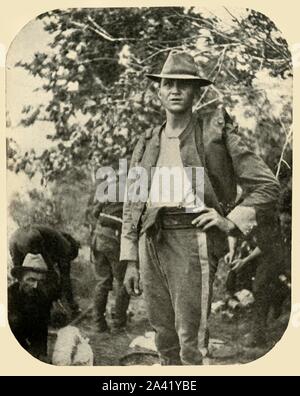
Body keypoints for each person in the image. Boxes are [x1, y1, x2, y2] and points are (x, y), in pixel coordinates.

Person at [120, 50, 280, 365]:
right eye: (169, 84)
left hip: (193, 239)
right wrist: (130, 259)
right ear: (159, 91)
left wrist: (229, 221)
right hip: (150, 240)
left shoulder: (215, 134)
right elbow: (132, 203)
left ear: (197, 92)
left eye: (184, 84)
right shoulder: (146, 142)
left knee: (190, 341)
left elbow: (267, 185)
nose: (175, 90)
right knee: (163, 337)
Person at [86, 171, 130, 333]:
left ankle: (98, 323)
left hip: (98, 237)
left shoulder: (110, 189)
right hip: (114, 239)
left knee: (102, 281)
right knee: (122, 280)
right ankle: (118, 323)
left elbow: (95, 212)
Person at [9, 225, 81, 316]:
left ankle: (21, 310)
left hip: (13, 238)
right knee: (45, 277)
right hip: (29, 238)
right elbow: (65, 278)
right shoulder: (65, 248)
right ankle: (50, 308)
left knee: (22, 278)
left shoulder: (53, 237)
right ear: (71, 253)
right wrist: (72, 304)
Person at [8, 253, 60, 361]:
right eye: (31, 280)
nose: (35, 285)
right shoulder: (8, 297)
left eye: (40, 281)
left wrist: (39, 353)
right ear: (20, 278)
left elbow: (42, 329)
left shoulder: (42, 296)